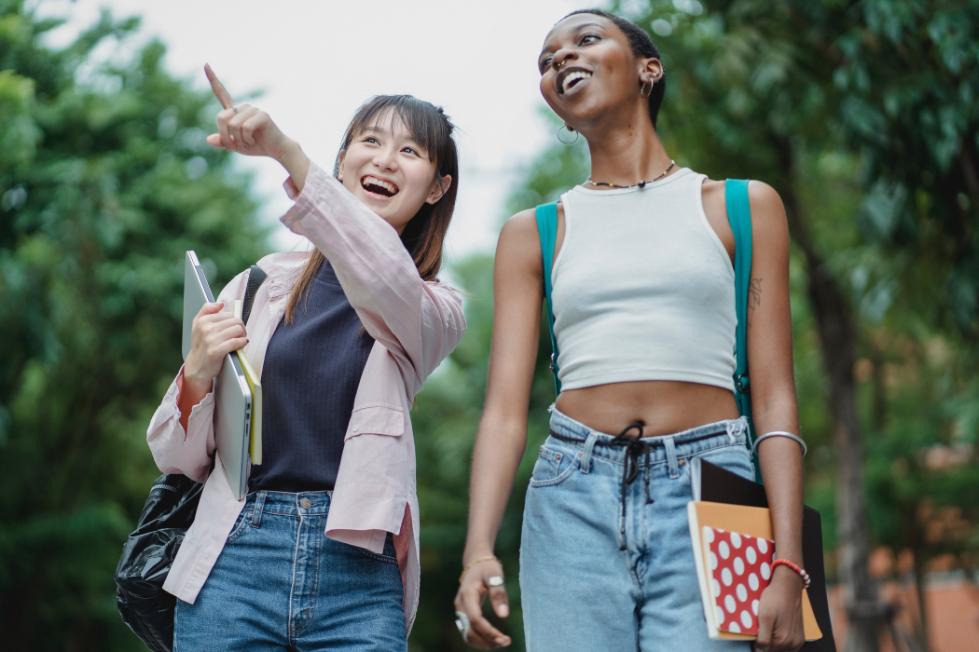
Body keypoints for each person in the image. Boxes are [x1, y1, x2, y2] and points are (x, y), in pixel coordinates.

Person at [454, 9, 807, 652]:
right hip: (572, 495)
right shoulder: (534, 233)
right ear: (560, 112)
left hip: (714, 487)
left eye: (585, 40)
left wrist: (787, 560)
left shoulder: (743, 207)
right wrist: (478, 549)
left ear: (649, 69)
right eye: (546, 60)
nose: (561, 59)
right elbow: (503, 412)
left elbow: (776, 397)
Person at [146, 65, 464, 651]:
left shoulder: (432, 308)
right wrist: (197, 373)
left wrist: (284, 151)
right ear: (342, 162)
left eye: (410, 151)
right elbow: (174, 455)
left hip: (357, 568)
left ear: (437, 188)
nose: (385, 160)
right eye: (371, 141)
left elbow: (382, 271)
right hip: (234, 556)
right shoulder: (257, 285)